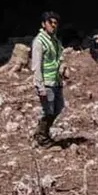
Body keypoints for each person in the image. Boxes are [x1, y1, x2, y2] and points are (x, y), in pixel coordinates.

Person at [30, 11, 65, 148]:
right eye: (51, 23)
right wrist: (40, 86)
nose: (53, 26)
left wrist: (63, 67)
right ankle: (42, 138)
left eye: (56, 23)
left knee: (58, 107)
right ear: (44, 24)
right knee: (48, 110)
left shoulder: (55, 40)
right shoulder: (39, 41)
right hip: (46, 82)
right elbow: (36, 65)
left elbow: (59, 56)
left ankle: (41, 132)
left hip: (56, 80)